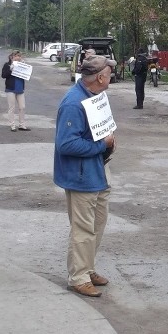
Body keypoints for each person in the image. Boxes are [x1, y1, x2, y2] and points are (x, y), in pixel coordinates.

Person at [54, 54, 117, 298]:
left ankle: (87, 268)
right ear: (100, 77)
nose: (111, 76)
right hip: (81, 177)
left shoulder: (94, 96)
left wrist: (108, 143)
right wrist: (102, 145)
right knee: (82, 229)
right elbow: (66, 145)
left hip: (98, 172)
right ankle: (78, 278)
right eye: (109, 73)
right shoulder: (73, 102)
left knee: (97, 225)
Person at [1, 50, 30, 131]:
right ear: (12, 57)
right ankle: (12, 125)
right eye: (16, 56)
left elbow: (26, 75)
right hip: (10, 89)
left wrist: (24, 67)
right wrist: (11, 68)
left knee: (22, 107)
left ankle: (22, 125)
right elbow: (3, 75)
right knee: (12, 107)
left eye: (19, 56)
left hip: (20, 89)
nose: (18, 57)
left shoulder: (22, 65)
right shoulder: (7, 65)